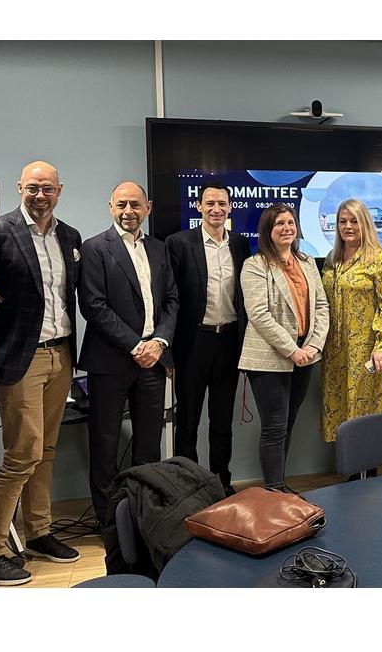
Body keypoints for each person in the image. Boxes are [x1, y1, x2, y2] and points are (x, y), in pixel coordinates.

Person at [0, 161, 82, 587]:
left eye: (48, 189)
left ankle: (38, 532)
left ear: (60, 190)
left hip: (61, 354)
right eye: (33, 188)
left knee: (46, 450)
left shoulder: (69, 236)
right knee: (22, 455)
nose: (40, 196)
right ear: (20, 188)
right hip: (21, 360)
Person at [77, 181, 178, 524]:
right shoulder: (94, 248)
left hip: (154, 359)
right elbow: (94, 306)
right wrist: (136, 346)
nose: (128, 211)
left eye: (135, 204)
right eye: (121, 205)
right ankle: (109, 521)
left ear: (148, 208)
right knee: (105, 444)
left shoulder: (159, 248)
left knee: (148, 445)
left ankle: (144, 517)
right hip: (111, 361)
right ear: (110, 207)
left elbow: (172, 300)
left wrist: (159, 342)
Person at [165, 181, 249, 493]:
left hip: (228, 341)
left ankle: (221, 483)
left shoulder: (239, 244)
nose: (216, 209)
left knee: (222, 420)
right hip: (192, 343)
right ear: (198, 206)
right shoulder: (178, 243)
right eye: (210, 203)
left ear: (230, 208)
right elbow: (170, 298)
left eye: (222, 203)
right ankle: (188, 487)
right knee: (188, 420)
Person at [239, 204, 329, 492]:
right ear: (268, 230)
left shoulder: (307, 262)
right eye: (279, 223)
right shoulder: (255, 265)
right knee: (274, 426)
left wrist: (313, 345)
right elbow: (259, 315)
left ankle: (278, 488)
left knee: (287, 424)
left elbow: (321, 306)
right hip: (270, 357)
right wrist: (293, 350)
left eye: (291, 222)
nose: (287, 228)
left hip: (305, 354)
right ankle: (275, 490)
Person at [320, 199, 382, 459]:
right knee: (340, 406)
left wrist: (381, 347)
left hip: (366, 350)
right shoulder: (332, 260)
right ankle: (350, 466)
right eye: (342, 221)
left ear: (365, 223)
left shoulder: (380, 261)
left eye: (354, 221)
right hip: (335, 350)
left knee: (365, 407)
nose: (348, 226)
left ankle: (368, 470)